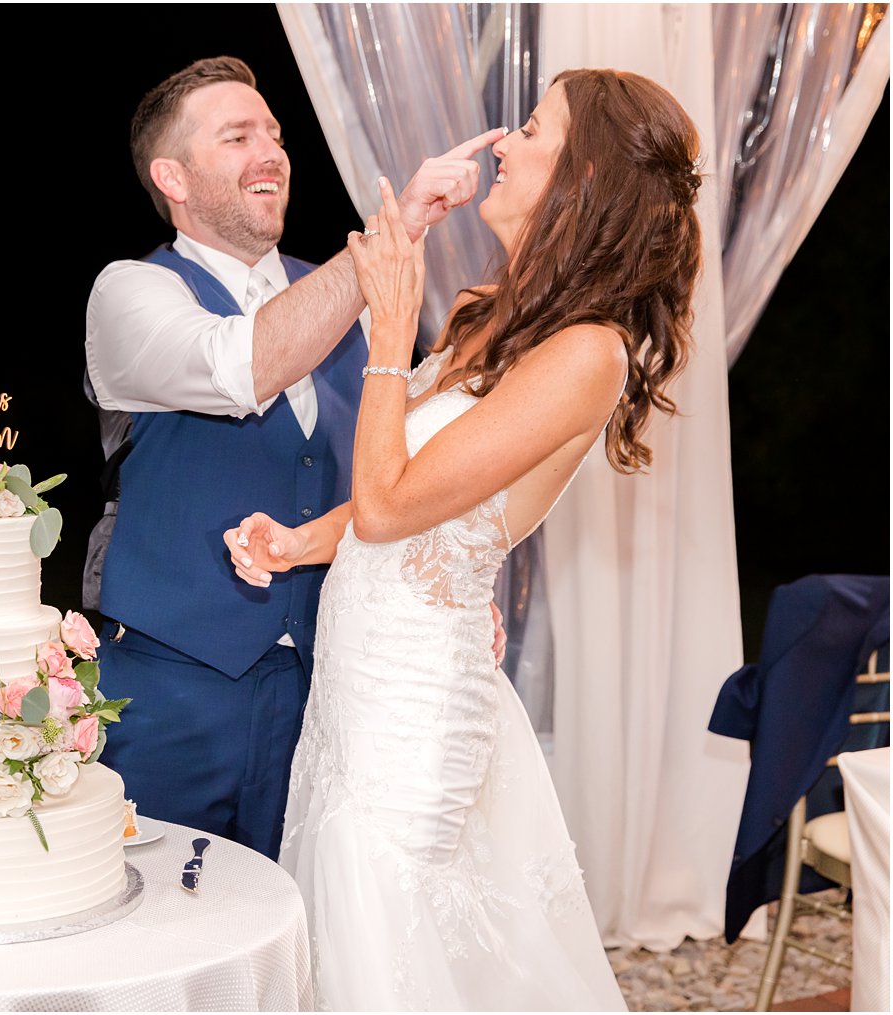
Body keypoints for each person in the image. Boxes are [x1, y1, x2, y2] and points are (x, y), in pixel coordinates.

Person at [224, 68, 702, 1009]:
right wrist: (297, 541)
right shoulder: (496, 317)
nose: (500, 144)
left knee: (387, 927)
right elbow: (401, 504)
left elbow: (391, 503)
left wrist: (393, 337)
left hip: (415, 709)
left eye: (531, 129)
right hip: (356, 690)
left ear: (583, 180)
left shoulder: (589, 353)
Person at [85, 56, 499, 860]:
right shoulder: (132, 294)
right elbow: (245, 364)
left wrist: (451, 577)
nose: (270, 151)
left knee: (307, 928)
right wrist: (399, 226)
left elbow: (411, 467)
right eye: (237, 136)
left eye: (273, 133)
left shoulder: (352, 291)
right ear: (171, 175)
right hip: (171, 687)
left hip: (332, 685)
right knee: (154, 932)